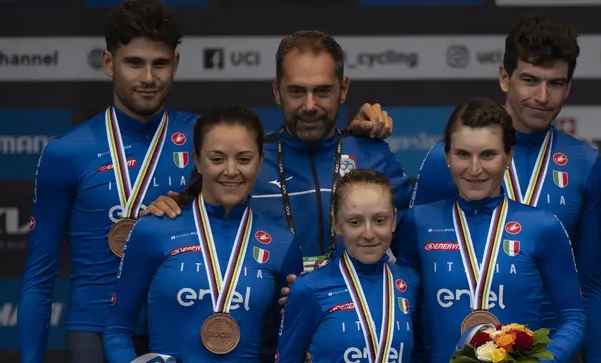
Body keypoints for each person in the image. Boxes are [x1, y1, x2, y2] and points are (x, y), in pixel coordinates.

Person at [407, 16, 601, 363]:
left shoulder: (584, 164)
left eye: (555, 83)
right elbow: (410, 284)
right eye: (530, 80)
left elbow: (592, 288)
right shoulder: (446, 162)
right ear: (504, 76)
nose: (542, 97)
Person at [13, 1, 197, 363]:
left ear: (176, 63)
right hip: (93, 341)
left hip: (176, 337)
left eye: (160, 63)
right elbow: (38, 277)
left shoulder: (204, 144)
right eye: (134, 63)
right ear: (108, 62)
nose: (148, 76)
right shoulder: (66, 153)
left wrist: (364, 134)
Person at [103, 105, 303, 363]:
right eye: (217, 158)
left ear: (260, 161)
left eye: (244, 158)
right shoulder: (153, 231)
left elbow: (285, 351)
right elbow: (116, 332)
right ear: (196, 160)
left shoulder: (281, 243)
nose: (231, 170)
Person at [396, 98, 586, 363]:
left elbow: (575, 318)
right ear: (446, 156)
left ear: (508, 156)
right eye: (462, 154)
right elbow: (402, 312)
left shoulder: (543, 227)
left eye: (488, 154)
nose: (475, 168)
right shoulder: (417, 224)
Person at [145, 30, 410, 273]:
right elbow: (197, 227)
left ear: (343, 90)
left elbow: (413, 251)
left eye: (323, 91)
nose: (309, 105)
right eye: (296, 91)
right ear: (276, 90)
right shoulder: (245, 165)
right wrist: (168, 211)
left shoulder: (375, 156)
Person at [270, 168, 424, 363]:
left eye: (379, 220)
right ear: (336, 223)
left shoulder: (411, 283)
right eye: (355, 222)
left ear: (394, 219)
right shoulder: (309, 288)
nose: (369, 233)